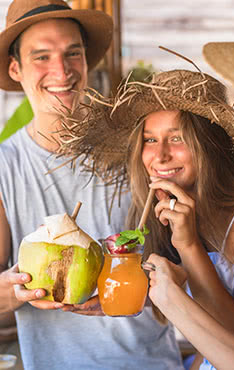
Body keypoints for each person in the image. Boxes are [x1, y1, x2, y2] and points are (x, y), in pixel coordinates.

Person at [57, 68, 234, 370]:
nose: (159, 155)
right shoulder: (169, 212)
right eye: (150, 140)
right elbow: (208, 337)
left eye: (177, 138)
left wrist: (188, 246)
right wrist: (129, 295)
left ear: (210, 146)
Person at [0, 1, 184, 370]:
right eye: (41, 56)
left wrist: (137, 292)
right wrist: (13, 291)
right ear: (16, 68)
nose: (61, 70)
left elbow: (187, 269)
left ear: (86, 61)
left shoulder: (138, 149)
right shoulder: (5, 167)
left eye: (73, 53)